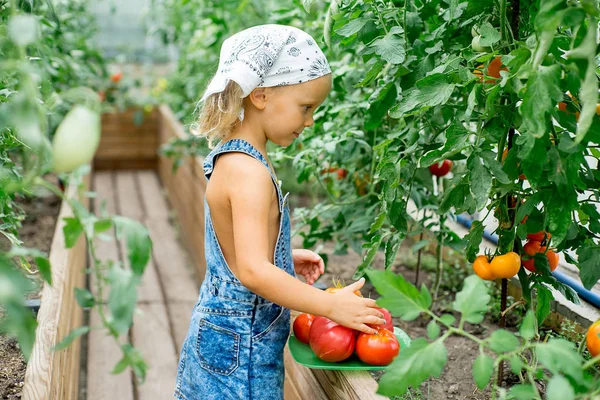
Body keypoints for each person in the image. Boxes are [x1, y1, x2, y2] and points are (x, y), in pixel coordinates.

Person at [174, 24, 385, 400]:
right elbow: (254, 272)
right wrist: (331, 306)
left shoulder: (234, 154)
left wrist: (282, 258)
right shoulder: (250, 171)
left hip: (223, 337)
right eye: (306, 108)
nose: (310, 121)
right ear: (260, 96)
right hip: (242, 350)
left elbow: (239, 254)